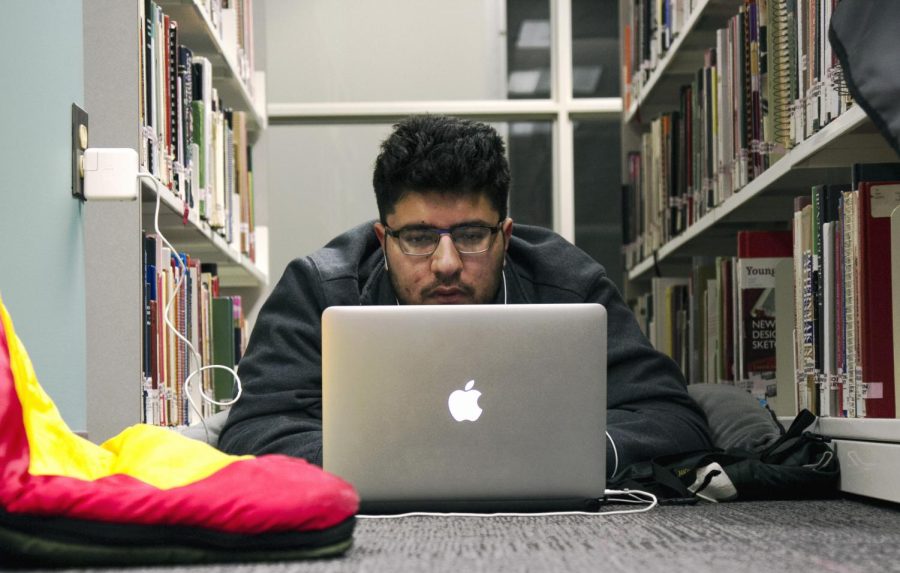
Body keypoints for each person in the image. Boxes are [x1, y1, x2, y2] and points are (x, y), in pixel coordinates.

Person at [218, 114, 712, 476]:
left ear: (506, 235)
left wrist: (569, 456)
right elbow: (254, 429)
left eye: (473, 235)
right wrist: (394, 461)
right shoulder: (319, 289)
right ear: (381, 239)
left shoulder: (568, 285)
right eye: (417, 238)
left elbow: (674, 420)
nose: (447, 262)